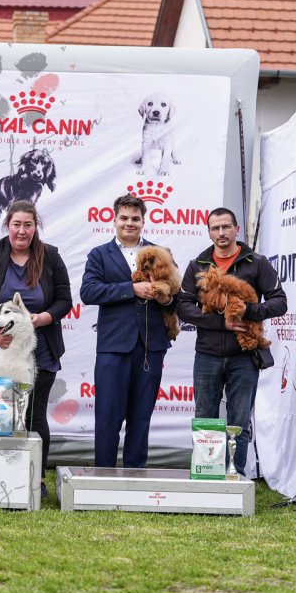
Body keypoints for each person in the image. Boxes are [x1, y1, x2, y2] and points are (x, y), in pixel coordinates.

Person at [0, 201, 72, 491]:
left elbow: (65, 299)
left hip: (40, 350)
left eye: (28, 225)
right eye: (16, 224)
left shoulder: (50, 256)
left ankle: (35, 479)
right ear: (8, 225)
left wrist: (42, 318)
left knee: (34, 415)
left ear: (35, 227)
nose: (22, 231)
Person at [176, 207, 287, 477]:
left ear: (236, 229)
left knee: (239, 421)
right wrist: (220, 322)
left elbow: (279, 302)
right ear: (209, 232)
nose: (221, 232)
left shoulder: (256, 262)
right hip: (207, 355)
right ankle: (207, 474)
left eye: (226, 226)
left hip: (244, 356)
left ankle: (234, 476)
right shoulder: (198, 265)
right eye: (215, 228)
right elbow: (183, 306)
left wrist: (248, 311)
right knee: (205, 419)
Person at [81, 194, 178, 468]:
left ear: (143, 221)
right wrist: (130, 289)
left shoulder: (161, 253)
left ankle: (135, 475)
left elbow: (177, 297)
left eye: (135, 218)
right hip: (113, 346)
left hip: (151, 346)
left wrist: (165, 299)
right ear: (114, 220)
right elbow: (88, 292)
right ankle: (103, 475)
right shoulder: (99, 254)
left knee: (141, 416)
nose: (129, 223)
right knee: (108, 416)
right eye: (124, 218)